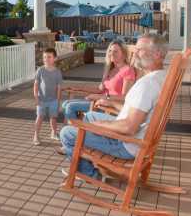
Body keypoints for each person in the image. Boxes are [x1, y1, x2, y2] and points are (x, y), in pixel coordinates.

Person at [59, 34, 168, 179]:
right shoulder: (161, 77)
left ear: (157, 54)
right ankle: (89, 160)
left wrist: (100, 125)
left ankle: (90, 173)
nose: (134, 52)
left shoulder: (147, 84)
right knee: (90, 116)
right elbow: (136, 112)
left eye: (139, 49)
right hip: (133, 138)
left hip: (125, 144)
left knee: (67, 133)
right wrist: (110, 103)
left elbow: (129, 127)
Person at [61, 40, 136, 123]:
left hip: (109, 106)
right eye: (110, 51)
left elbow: (124, 97)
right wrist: (78, 88)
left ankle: (77, 132)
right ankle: (79, 129)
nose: (111, 53)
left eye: (116, 51)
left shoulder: (127, 70)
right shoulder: (110, 69)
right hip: (99, 101)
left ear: (124, 54)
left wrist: (101, 97)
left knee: (70, 106)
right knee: (65, 104)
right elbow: (99, 89)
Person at [33, 48, 63, 145]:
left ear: (55, 58)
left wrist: (58, 102)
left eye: (49, 57)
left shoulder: (58, 72)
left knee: (53, 118)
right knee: (40, 117)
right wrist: (36, 97)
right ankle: (36, 135)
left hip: (53, 100)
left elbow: (59, 88)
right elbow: (36, 85)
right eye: (44, 57)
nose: (46, 59)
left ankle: (53, 133)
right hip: (41, 100)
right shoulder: (40, 70)